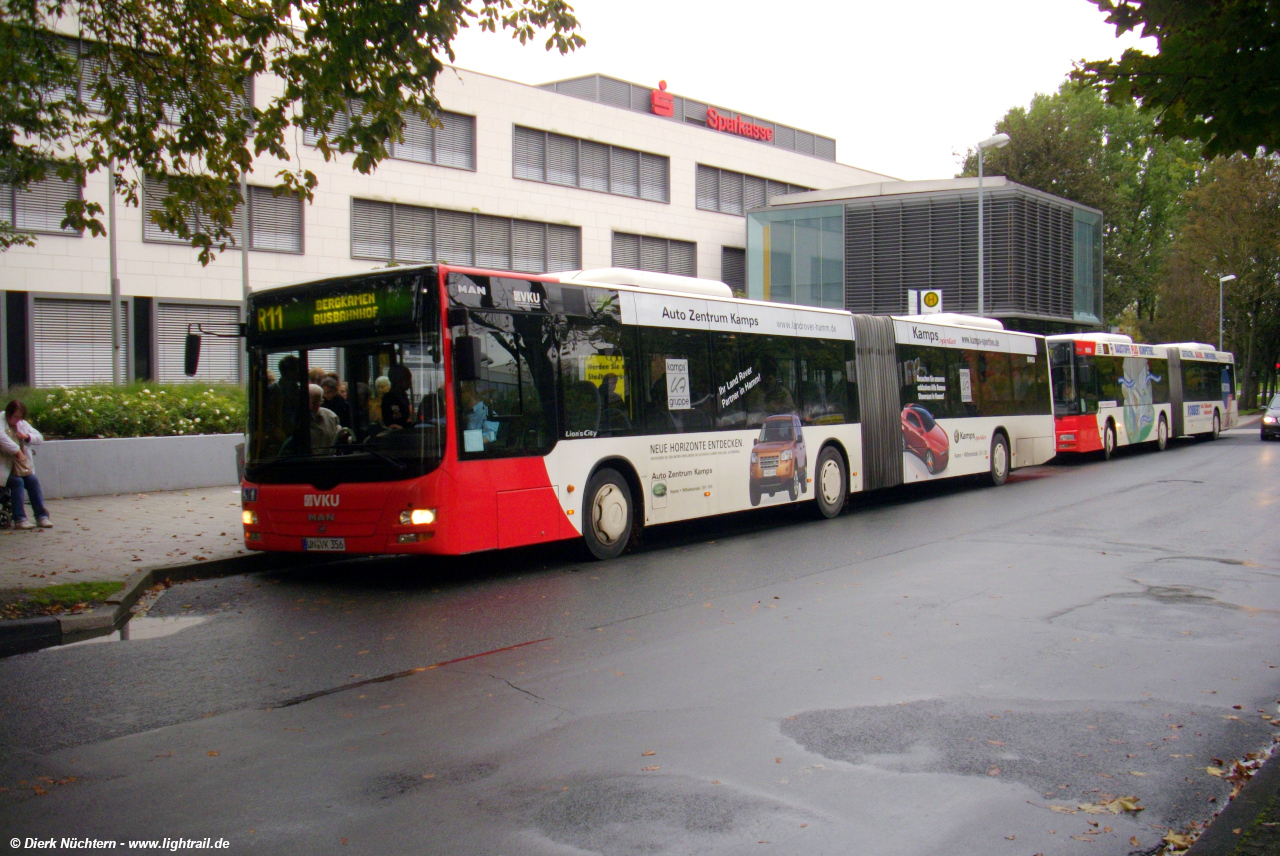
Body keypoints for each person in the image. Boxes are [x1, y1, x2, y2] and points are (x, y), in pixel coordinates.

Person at [1, 400, 51, 530]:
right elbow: (2, 438)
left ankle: (41, 516)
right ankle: (20, 519)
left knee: (32, 480)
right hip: (4, 468)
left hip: (20, 467)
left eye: (20, 417)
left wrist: (26, 436)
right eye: (15, 416)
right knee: (17, 482)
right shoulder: (0, 421)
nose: (18, 420)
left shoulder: (22, 424)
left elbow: (39, 437)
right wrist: (16, 450)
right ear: (8, 414)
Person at [381, 364, 414, 429]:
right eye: (407, 380)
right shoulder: (389, 398)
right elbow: (390, 420)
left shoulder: (403, 396)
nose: (409, 383)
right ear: (398, 381)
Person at [308, 384, 340, 449]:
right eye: (313, 402)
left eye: (318, 401)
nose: (315, 405)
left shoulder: (331, 416)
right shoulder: (298, 418)